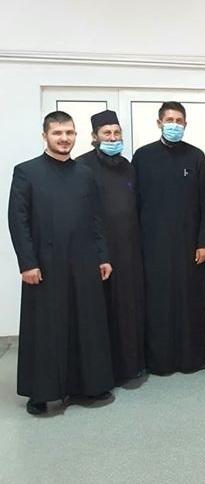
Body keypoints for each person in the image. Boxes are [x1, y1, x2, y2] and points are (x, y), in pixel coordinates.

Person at [8, 111, 114, 415]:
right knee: (46, 328)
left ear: (76, 135)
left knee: (86, 323)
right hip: (44, 264)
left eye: (69, 133)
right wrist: (27, 263)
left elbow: (96, 219)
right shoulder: (26, 172)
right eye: (57, 133)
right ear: (45, 136)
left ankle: (90, 385)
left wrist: (103, 256)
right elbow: (18, 221)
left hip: (84, 261)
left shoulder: (85, 173)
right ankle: (41, 392)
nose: (64, 138)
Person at [132, 101, 205, 374]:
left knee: (189, 301)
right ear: (159, 123)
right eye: (169, 120)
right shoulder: (142, 157)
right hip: (153, 244)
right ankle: (159, 361)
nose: (174, 125)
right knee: (158, 302)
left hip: (190, 246)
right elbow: (133, 202)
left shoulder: (196, 156)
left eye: (179, 121)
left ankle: (192, 359)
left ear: (186, 124)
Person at [76, 110, 145, 382]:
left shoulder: (128, 166)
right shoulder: (81, 167)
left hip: (129, 249)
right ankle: (104, 371)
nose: (113, 138)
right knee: (101, 310)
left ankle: (131, 366)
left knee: (128, 307)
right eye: (107, 133)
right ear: (95, 136)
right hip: (97, 251)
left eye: (117, 133)